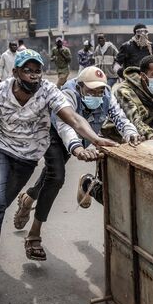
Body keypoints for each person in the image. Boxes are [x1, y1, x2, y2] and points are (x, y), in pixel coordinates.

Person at [0, 50, 120, 290]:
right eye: (27, 70)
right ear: (15, 72)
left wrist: (95, 139)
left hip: (27, 158)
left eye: (37, 70)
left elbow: (72, 119)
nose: (33, 75)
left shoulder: (48, 91)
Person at [14, 66, 140, 260]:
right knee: (56, 177)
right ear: (80, 86)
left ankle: (28, 199)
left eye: (99, 91)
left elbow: (120, 118)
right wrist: (76, 148)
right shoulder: (68, 94)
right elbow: (66, 125)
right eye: (91, 91)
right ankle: (34, 235)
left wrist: (131, 134)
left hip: (81, 137)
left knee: (51, 174)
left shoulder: (107, 95)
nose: (97, 95)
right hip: (53, 134)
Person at [102, 55, 153, 142]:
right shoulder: (124, 91)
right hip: (115, 138)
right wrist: (150, 134)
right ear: (143, 76)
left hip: (144, 136)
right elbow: (134, 119)